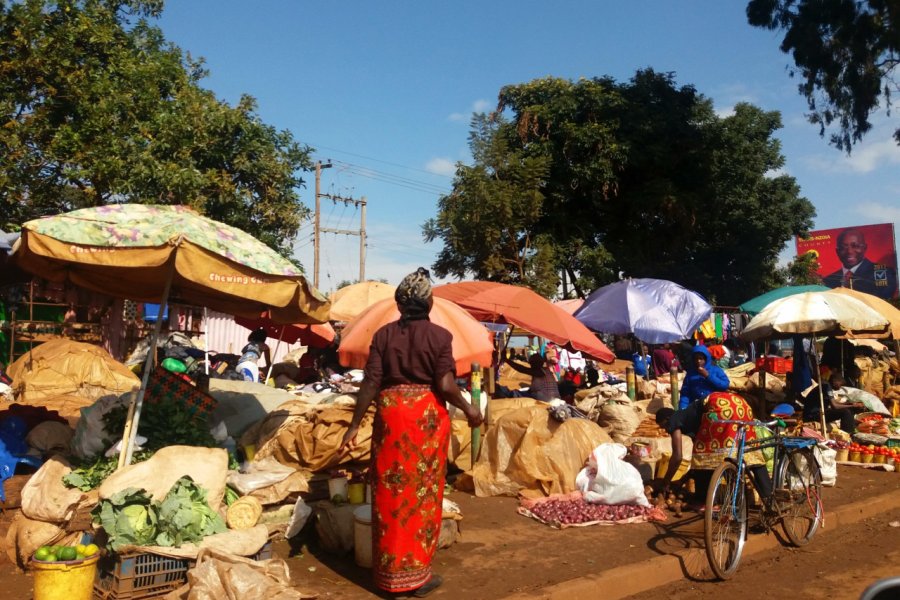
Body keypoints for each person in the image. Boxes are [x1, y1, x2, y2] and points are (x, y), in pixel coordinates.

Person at [338, 268, 483, 597]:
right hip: (425, 422)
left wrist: (353, 425)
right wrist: (470, 409)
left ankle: (390, 575)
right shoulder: (440, 337)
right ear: (429, 303)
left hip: (390, 420)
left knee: (389, 496)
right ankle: (417, 576)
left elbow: (371, 384)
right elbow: (445, 386)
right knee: (422, 497)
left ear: (399, 304)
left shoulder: (383, 336)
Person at [655, 391, 773, 504]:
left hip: (718, 407)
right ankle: (770, 498)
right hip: (740, 404)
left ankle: (703, 500)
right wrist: (682, 481)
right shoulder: (693, 420)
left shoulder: (674, 419)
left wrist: (666, 483)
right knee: (750, 453)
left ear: (667, 420)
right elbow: (696, 464)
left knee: (704, 457)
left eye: (664, 426)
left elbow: (677, 457)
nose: (666, 430)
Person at [822, 228, 898, 300]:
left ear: (864, 248)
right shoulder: (828, 280)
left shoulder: (882, 272)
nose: (849, 251)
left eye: (855, 246)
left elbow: (884, 299)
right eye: (843, 247)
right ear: (837, 251)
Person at [678, 345, 730, 409]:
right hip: (696, 407)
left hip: (714, 406)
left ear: (706, 359)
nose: (698, 361)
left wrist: (708, 375)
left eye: (701, 358)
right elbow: (685, 393)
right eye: (696, 359)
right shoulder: (690, 374)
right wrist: (683, 408)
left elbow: (724, 385)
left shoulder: (716, 370)